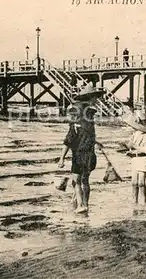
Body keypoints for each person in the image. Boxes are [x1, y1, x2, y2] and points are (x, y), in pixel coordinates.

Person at [56, 85, 106, 214]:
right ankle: (85, 204)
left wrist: (61, 158)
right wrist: (96, 143)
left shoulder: (76, 124)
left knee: (76, 181)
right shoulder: (89, 121)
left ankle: (81, 205)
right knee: (85, 181)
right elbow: (89, 137)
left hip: (79, 155)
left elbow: (68, 141)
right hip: (90, 154)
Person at [121, 110, 146, 206]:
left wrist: (134, 146)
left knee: (141, 183)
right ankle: (134, 201)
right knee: (134, 183)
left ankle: (143, 202)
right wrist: (127, 149)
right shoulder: (135, 134)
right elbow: (132, 146)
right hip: (135, 159)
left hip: (143, 160)